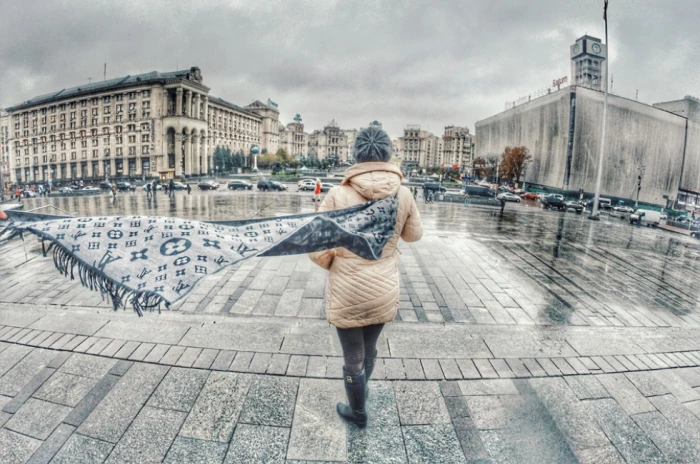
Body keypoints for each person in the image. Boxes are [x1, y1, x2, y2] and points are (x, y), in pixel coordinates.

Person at [309, 126, 423, 427]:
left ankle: (357, 410)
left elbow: (317, 250)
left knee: (352, 356)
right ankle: (361, 390)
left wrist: (338, 261)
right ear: (388, 154)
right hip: (384, 285)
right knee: (369, 349)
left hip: (347, 288)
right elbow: (413, 236)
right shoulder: (404, 193)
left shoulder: (337, 194)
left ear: (355, 153)